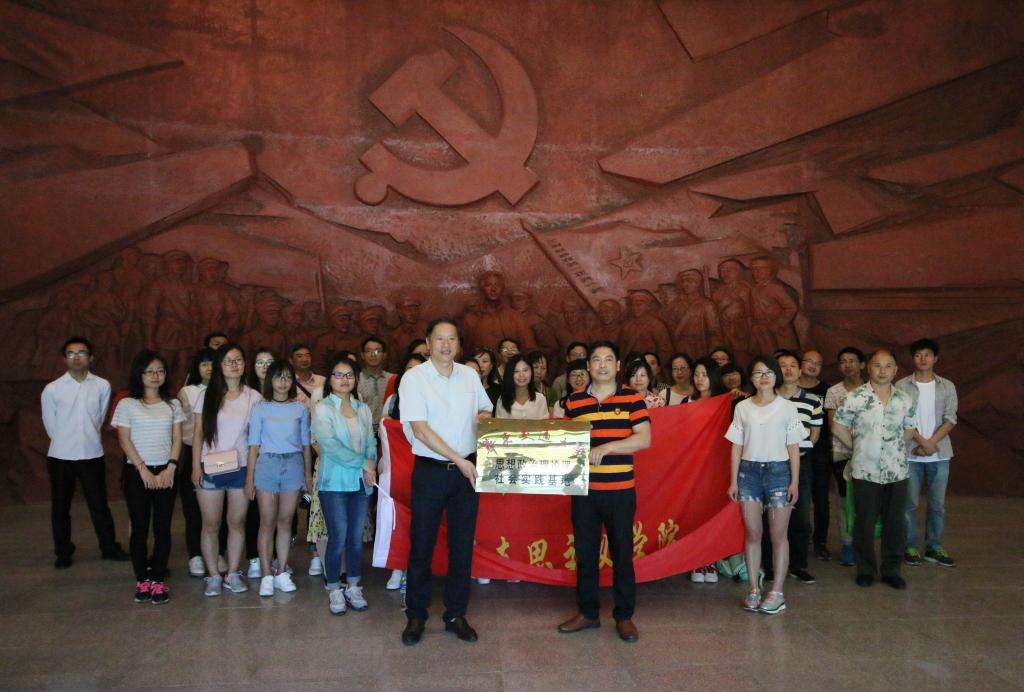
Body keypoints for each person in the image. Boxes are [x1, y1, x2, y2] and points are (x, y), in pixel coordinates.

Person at [398, 319, 493, 646]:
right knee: (422, 545)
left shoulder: (469, 375)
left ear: (458, 344)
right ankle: (416, 615)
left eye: (451, 339)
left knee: (462, 546)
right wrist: (459, 460)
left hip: (466, 473)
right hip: (431, 472)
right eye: (440, 339)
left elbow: (485, 409)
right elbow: (420, 430)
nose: (446, 345)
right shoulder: (414, 378)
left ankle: (456, 614)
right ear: (428, 342)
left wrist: (483, 419)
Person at [558, 341, 650, 643]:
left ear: (618, 365)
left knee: (622, 553)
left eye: (608, 359)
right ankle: (588, 613)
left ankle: (624, 616)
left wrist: (607, 447)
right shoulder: (574, 402)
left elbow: (644, 439)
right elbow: (564, 443)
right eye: (596, 359)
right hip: (584, 491)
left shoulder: (632, 398)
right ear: (588, 366)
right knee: (585, 554)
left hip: (620, 491)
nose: (602, 365)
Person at [726, 356, 805, 614]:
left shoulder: (787, 407)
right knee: (752, 533)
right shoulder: (742, 407)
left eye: (769, 372)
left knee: (778, 534)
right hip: (748, 473)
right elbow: (736, 447)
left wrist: (794, 481)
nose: (764, 377)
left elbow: (793, 448)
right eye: (758, 372)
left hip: (779, 473)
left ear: (776, 376)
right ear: (751, 378)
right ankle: (753, 588)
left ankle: (777, 592)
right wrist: (733, 480)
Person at [833, 350, 918, 589]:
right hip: (865, 470)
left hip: (896, 471)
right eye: (877, 365)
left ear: (895, 370)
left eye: (888, 366)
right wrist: (859, 447)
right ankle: (866, 569)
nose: (882, 371)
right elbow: (838, 427)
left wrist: (891, 448)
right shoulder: (855, 397)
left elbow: (909, 431)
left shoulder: (904, 399)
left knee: (895, 522)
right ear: (868, 368)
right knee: (865, 521)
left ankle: (892, 570)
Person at [41, 336, 128, 569]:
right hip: (61, 456)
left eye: (81, 353)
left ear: (91, 358)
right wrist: (67, 441)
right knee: (61, 507)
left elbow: (99, 418)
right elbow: (50, 425)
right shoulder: (52, 389)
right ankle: (63, 551)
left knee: (99, 504)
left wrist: (85, 437)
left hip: (91, 454)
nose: (76, 357)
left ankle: (109, 547)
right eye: (71, 353)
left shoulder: (102, 385)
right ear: (64, 359)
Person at [111, 350, 184, 604]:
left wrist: (171, 467)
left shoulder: (173, 404)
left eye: (160, 371)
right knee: (139, 527)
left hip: (166, 471)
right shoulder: (127, 404)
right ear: (139, 374)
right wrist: (142, 469)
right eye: (150, 371)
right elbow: (124, 439)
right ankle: (142, 578)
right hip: (137, 472)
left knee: (163, 528)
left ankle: (158, 579)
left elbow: (177, 438)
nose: (155, 376)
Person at [192, 343, 263, 596]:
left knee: (236, 521)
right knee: (211, 523)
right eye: (228, 360)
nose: (234, 365)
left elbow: (256, 440)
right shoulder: (206, 396)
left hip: (240, 467)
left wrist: (252, 475)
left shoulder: (254, 397)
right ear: (219, 366)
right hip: (210, 467)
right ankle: (213, 575)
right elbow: (198, 434)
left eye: (238, 359)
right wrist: (195, 467)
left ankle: (232, 572)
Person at [311, 355, 376, 615]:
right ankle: (334, 589)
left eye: (349, 375)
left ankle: (354, 586)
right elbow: (330, 446)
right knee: (338, 537)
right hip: (334, 483)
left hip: (360, 483)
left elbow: (370, 441)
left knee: (356, 538)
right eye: (338, 375)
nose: (344, 379)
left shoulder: (363, 408)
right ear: (330, 379)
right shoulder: (323, 408)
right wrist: (363, 462)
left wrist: (371, 464)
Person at [246, 360, 312, 597]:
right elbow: (253, 446)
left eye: (287, 377)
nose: (283, 382)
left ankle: (282, 570)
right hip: (267, 464)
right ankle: (266, 573)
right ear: (270, 380)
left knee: (286, 520)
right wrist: (249, 478)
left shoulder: (300, 409)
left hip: (293, 464)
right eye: (278, 377)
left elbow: (306, 445)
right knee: (267, 520)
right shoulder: (260, 408)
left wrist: (307, 475)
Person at [896, 339, 958, 568]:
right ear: (912, 359)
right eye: (918, 355)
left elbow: (950, 418)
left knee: (937, 505)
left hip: (940, 454)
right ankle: (909, 545)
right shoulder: (901, 386)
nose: (923, 359)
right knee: (909, 504)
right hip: (910, 453)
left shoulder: (947, 386)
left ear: (935, 358)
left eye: (927, 354)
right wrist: (922, 442)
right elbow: (900, 418)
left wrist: (931, 443)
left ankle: (934, 546)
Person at [774, 351, 823, 586]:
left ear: (800, 370)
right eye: (782, 365)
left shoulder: (813, 400)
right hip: (771, 464)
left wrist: (794, 450)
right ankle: (769, 565)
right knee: (770, 516)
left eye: (793, 365)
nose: (788, 369)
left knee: (801, 516)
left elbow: (814, 435)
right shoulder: (767, 397)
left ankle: (799, 565)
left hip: (800, 464)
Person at [380, 352, 427, 591]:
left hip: (426, 468)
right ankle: (397, 566)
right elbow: (385, 430)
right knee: (398, 519)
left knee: (421, 521)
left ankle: (414, 570)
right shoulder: (392, 400)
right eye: (409, 369)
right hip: (398, 470)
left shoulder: (434, 398)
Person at [684, 356, 727, 583]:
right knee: (694, 513)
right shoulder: (687, 401)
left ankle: (711, 560)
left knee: (712, 513)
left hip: (716, 466)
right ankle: (695, 561)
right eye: (696, 374)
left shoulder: (725, 401)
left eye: (704, 375)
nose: (700, 379)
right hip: (693, 466)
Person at [823, 347, 866, 566]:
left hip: (870, 454)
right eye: (843, 361)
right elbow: (833, 424)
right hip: (842, 453)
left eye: (852, 361)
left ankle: (864, 544)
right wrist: (855, 446)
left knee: (868, 500)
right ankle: (847, 544)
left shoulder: (873, 389)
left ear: (862, 365)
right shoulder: (834, 392)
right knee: (845, 501)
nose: (847, 365)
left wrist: (864, 448)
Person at [177, 348, 215, 577]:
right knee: (193, 510)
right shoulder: (188, 392)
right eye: (204, 363)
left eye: (213, 363)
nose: (209, 368)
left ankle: (217, 552)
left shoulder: (228, 390)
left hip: (221, 456)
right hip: (194, 453)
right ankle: (195, 554)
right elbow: (184, 428)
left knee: (218, 508)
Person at [242, 348, 277, 579]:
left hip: (279, 459)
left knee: (278, 514)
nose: (265, 367)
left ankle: (274, 558)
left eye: (269, 362)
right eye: (260, 362)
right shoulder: (248, 394)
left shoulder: (284, 390)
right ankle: (254, 558)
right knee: (255, 512)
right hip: (253, 457)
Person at [797, 350, 833, 561]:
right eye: (808, 361)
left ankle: (820, 542)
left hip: (820, 453)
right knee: (797, 498)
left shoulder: (827, 390)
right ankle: (799, 539)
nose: (812, 365)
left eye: (817, 363)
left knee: (820, 499)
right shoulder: (789, 388)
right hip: (794, 452)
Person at [494, 354, 549, 419]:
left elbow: (544, 424)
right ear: (510, 374)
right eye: (516, 371)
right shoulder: (502, 400)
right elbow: (499, 425)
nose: (521, 375)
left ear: (531, 372)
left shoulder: (540, 399)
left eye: (525, 370)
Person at [358, 336, 393, 428]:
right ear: (362, 355)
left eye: (377, 351)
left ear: (384, 355)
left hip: (388, 429)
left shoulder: (392, 378)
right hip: (364, 429)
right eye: (368, 351)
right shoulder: (356, 379)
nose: (373, 354)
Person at [548, 341, 589, 405]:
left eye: (582, 355)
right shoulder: (559, 382)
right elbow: (554, 405)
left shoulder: (595, 378)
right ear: (567, 358)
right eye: (574, 355)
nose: (578, 358)